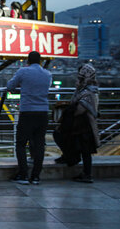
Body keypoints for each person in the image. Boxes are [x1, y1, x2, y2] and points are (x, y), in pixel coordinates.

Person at [7, 51, 52, 185]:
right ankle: (36, 176)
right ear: (41, 61)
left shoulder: (23, 72)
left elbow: (10, 86)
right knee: (39, 144)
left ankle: (23, 174)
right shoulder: (48, 74)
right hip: (43, 112)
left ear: (28, 61)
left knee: (21, 144)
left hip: (27, 112)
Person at [56, 64, 100, 183]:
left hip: (83, 126)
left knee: (84, 150)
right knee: (85, 151)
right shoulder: (90, 90)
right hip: (84, 126)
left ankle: (85, 172)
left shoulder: (87, 92)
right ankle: (85, 172)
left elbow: (80, 109)